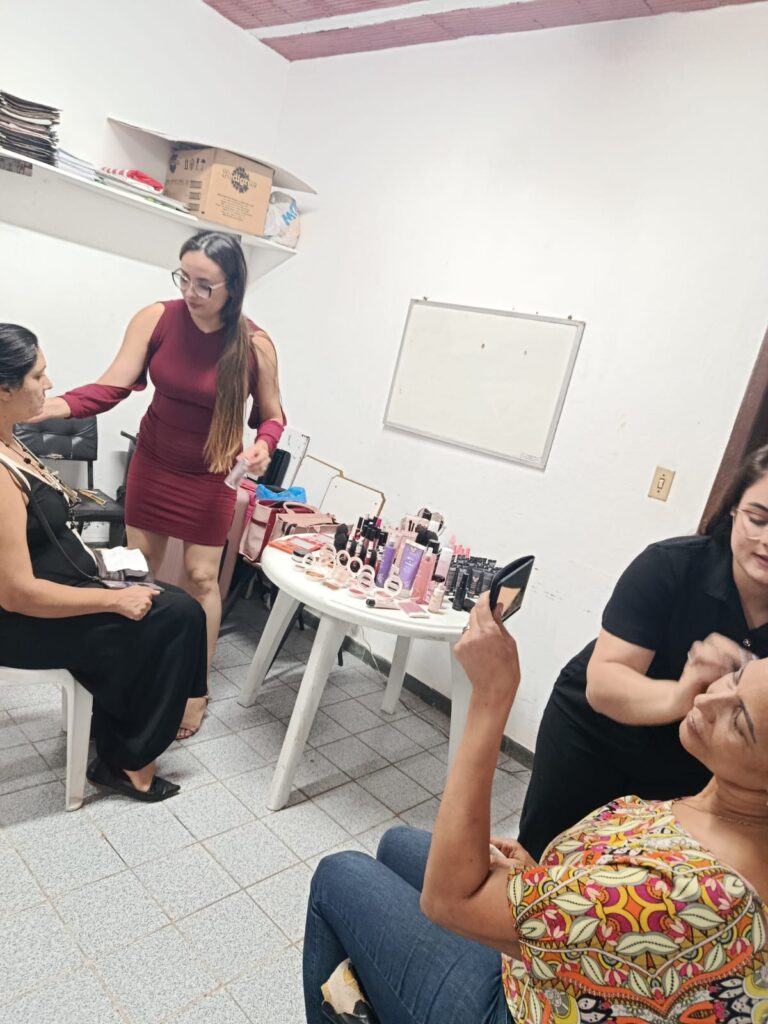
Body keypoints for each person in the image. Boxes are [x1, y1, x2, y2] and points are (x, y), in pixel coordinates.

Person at [304, 594, 768, 1024]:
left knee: (339, 876)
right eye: (735, 677)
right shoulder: (717, 805)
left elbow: (447, 900)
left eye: (739, 720)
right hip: (570, 961)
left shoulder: (686, 891)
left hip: (527, 1007)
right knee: (397, 844)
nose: (707, 698)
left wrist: (490, 699)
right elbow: (621, 916)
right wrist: (547, 878)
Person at [37, 230, 285, 738]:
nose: (190, 292)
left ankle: (195, 688)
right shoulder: (157, 318)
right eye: (184, 278)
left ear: (233, 287)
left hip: (211, 474)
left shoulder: (255, 345)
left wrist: (264, 445)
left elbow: (272, 415)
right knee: (135, 570)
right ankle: (131, 664)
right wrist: (48, 407)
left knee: (201, 579)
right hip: (154, 463)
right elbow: (112, 385)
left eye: (204, 284)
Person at [516, 444, 768, 860]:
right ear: (733, 509)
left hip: (689, 767)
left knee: (628, 875)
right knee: (544, 857)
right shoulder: (671, 565)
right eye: (758, 519)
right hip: (595, 735)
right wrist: (684, 694)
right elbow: (604, 683)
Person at [0, 323, 208, 800]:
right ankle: (128, 762)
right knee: (176, 618)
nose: (49, 384)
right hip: (21, 621)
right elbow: (15, 594)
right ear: (5, 388)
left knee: (175, 606)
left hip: (62, 588)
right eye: (38, 375)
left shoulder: (11, 440)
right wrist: (112, 602)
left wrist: (100, 565)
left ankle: (118, 726)